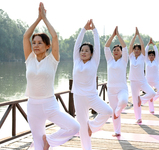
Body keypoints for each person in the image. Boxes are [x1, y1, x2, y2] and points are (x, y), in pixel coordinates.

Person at [23, 3, 80, 150]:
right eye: (34, 43)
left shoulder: (52, 60)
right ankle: (42, 143)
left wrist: (45, 18)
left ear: (47, 46)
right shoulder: (29, 59)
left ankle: (50, 140)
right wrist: (38, 18)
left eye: (40, 43)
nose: (35, 45)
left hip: (49, 104)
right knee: (38, 147)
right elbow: (25, 36)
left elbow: (54, 36)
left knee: (74, 127)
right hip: (32, 106)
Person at [72, 19, 112, 150]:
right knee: (82, 126)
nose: (83, 52)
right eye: (82, 50)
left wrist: (95, 30)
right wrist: (83, 29)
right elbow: (77, 43)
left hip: (91, 96)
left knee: (107, 111)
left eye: (86, 51)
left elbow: (97, 44)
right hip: (78, 96)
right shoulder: (76, 60)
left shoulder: (94, 62)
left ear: (91, 54)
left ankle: (92, 126)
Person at [104, 26, 128, 137]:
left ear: (122, 52)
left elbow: (125, 46)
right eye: (114, 50)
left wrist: (118, 35)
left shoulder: (124, 60)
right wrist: (112, 36)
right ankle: (117, 131)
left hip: (122, 89)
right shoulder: (109, 60)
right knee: (113, 110)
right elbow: (106, 47)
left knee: (123, 102)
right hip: (111, 90)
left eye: (118, 50)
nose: (116, 51)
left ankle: (118, 112)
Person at [129, 27, 156, 123]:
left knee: (152, 93)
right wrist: (134, 36)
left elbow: (143, 45)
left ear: (140, 50)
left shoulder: (142, 57)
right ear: (133, 50)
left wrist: (138, 35)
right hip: (133, 81)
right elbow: (131, 44)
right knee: (135, 101)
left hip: (142, 80)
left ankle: (142, 99)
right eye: (135, 49)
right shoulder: (131, 56)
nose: (136, 50)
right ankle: (138, 118)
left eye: (138, 49)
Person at [145, 38, 159, 113]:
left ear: (154, 56)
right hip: (148, 81)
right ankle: (151, 109)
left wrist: (153, 44)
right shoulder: (146, 61)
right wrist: (148, 44)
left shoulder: (156, 61)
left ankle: (153, 98)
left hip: (156, 80)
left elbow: (156, 51)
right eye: (150, 55)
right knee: (150, 95)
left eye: (152, 55)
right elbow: (145, 51)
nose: (151, 56)